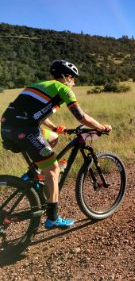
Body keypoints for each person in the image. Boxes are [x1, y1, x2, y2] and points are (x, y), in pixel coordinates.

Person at [1, 60, 112, 229]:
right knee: (53, 169)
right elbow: (81, 117)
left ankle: (32, 175)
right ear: (67, 77)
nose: (74, 83)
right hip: (26, 131)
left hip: (8, 129)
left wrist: (55, 128)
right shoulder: (63, 89)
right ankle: (52, 218)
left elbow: (36, 113)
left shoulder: (38, 85)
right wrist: (101, 127)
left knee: (52, 138)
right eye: (73, 79)